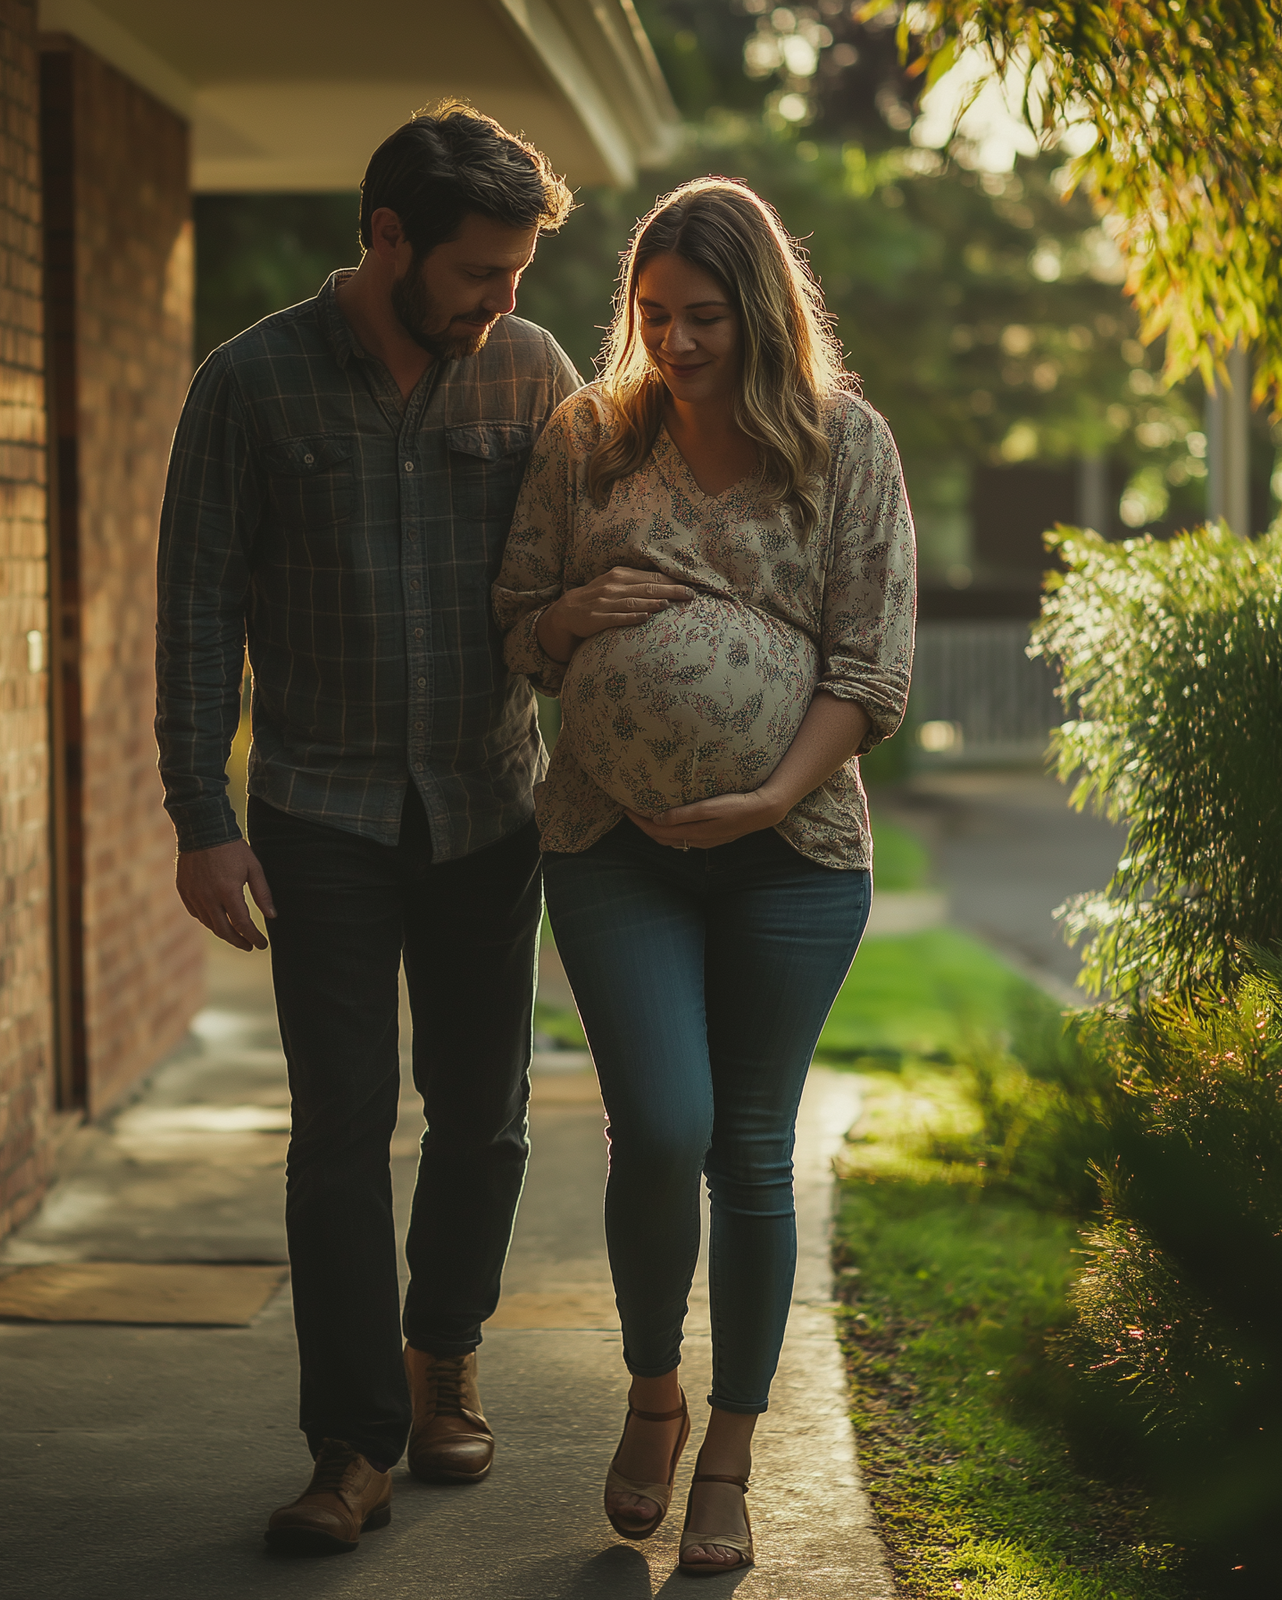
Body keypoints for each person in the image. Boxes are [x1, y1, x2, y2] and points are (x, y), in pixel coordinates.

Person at [155, 103, 579, 1556]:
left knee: (485, 1115)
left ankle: (441, 1354)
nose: (502, 301)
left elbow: (590, 575)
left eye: (518, 274)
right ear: (387, 237)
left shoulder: (532, 375)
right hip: (320, 809)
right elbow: (197, 608)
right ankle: (351, 1445)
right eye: (478, 272)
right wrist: (201, 819)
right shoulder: (251, 384)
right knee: (341, 1128)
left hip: (488, 800)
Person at [491, 178, 915, 1577]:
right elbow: (515, 622)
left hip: (790, 854)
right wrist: (566, 613)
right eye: (653, 316)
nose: (674, 344)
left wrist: (769, 795)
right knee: (658, 1127)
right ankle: (653, 1393)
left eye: (705, 319)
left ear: (764, 312)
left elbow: (873, 664)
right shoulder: (588, 440)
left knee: (749, 1150)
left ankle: (729, 1457)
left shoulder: (845, 449)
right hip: (613, 844)